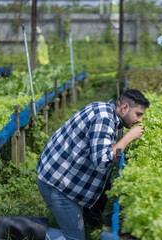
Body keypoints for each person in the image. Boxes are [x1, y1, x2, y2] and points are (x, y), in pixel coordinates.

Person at [36, 89, 150, 240]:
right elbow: (102, 160)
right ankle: (12, 227)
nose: (140, 120)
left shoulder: (104, 109)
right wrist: (128, 138)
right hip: (57, 184)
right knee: (74, 238)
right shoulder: (104, 118)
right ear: (124, 108)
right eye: (138, 114)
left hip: (59, 175)